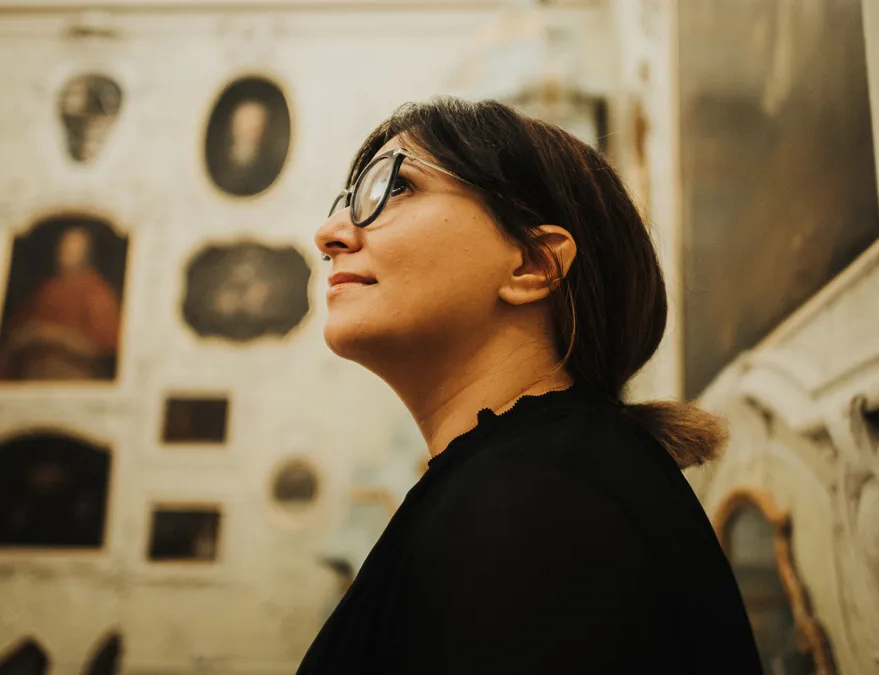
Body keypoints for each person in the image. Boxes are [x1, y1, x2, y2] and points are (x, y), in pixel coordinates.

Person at [298, 97, 763, 674]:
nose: (329, 233)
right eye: (347, 202)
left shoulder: (540, 499)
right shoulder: (538, 475)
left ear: (533, 266)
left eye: (394, 188)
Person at [0, 226, 121, 381]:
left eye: (74, 249)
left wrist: (51, 335)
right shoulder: (47, 290)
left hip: (73, 375)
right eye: (64, 248)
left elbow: (102, 348)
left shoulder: (97, 292)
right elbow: (16, 333)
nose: (66, 254)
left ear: (87, 253)